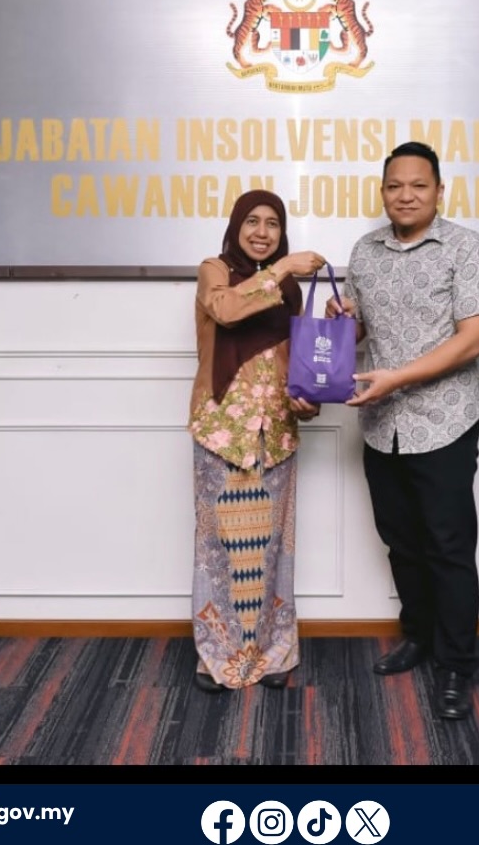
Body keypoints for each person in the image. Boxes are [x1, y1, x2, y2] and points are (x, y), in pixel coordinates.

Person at [328, 141, 479, 720]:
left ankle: (456, 664)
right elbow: (360, 332)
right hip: (382, 424)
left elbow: (474, 338)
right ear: (383, 192)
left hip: (445, 421)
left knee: (449, 547)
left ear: (439, 190)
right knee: (400, 540)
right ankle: (420, 636)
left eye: (418, 185)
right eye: (395, 186)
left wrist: (397, 378)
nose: (406, 195)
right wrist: (343, 324)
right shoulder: (365, 251)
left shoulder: (467, 248)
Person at [188, 189, 326, 693]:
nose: (262, 232)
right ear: (236, 227)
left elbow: (299, 358)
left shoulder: (290, 292)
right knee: (219, 549)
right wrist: (284, 266)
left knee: (271, 549)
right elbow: (226, 310)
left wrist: (308, 400)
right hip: (222, 429)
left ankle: (274, 652)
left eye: (272, 223)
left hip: (277, 431)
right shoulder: (215, 271)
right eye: (252, 221)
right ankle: (216, 657)